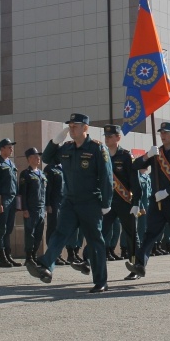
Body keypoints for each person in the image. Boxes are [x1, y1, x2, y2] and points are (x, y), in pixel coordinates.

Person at [27, 113, 113, 293]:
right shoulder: (66, 148)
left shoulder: (97, 149)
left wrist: (106, 202)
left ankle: (101, 281)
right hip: (70, 201)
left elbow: (106, 177)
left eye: (76, 126)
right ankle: (45, 265)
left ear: (85, 128)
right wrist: (56, 140)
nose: (72, 128)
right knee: (59, 234)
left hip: (90, 201)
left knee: (95, 241)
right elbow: (48, 158)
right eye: (70, 125)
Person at [125, 122, 170, 282]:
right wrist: (147, 155)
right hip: (157, 202)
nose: (162, 135)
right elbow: (135, 166)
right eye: (161, 132)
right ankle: (140, 265)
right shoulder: (156, 153)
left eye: (166, 132)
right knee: (150, 233)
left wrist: (167, 192)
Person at [99, 124, 142, 280]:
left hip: (125, 201)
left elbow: (134, 181)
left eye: (110, 136)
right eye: (106, 136)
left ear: (118, 137)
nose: (107, 138)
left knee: (131, 235)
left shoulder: (125, 156)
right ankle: (92, 262)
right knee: (100, 232)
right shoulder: (102, 155)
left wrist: (136, 202)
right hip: (108, 203)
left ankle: (135, 266)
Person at [0, 138, 20, 267]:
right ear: (2, 149)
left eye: (11, 147)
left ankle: (8, 256)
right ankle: (2, 257)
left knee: (9, 229)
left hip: (12, 199)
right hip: (3, 199)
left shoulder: (12, 164)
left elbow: (16, 184)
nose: (11, 149)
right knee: (1, 229)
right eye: (9, 147)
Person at [18, 147, 47, 265]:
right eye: (35, 156)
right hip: (31, 208)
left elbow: (45, 192)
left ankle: (35, 254)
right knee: (30, 233)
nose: (38, 158)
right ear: (29, 159)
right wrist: (24, 209)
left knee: (39, 234)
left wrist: (45, 207)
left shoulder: (42, 174)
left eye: (38, 156)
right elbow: (22, 193)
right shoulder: (25, 174)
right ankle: (29, 256)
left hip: (41, 208)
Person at [43, 159, 68, 264]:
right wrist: (47, 204)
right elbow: (47, 188)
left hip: (63, 201)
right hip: (53, 202)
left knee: (61, 228)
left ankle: (59, 253)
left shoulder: (62, 167)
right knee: (53, 228)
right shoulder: (49, 168)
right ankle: (52, 254)